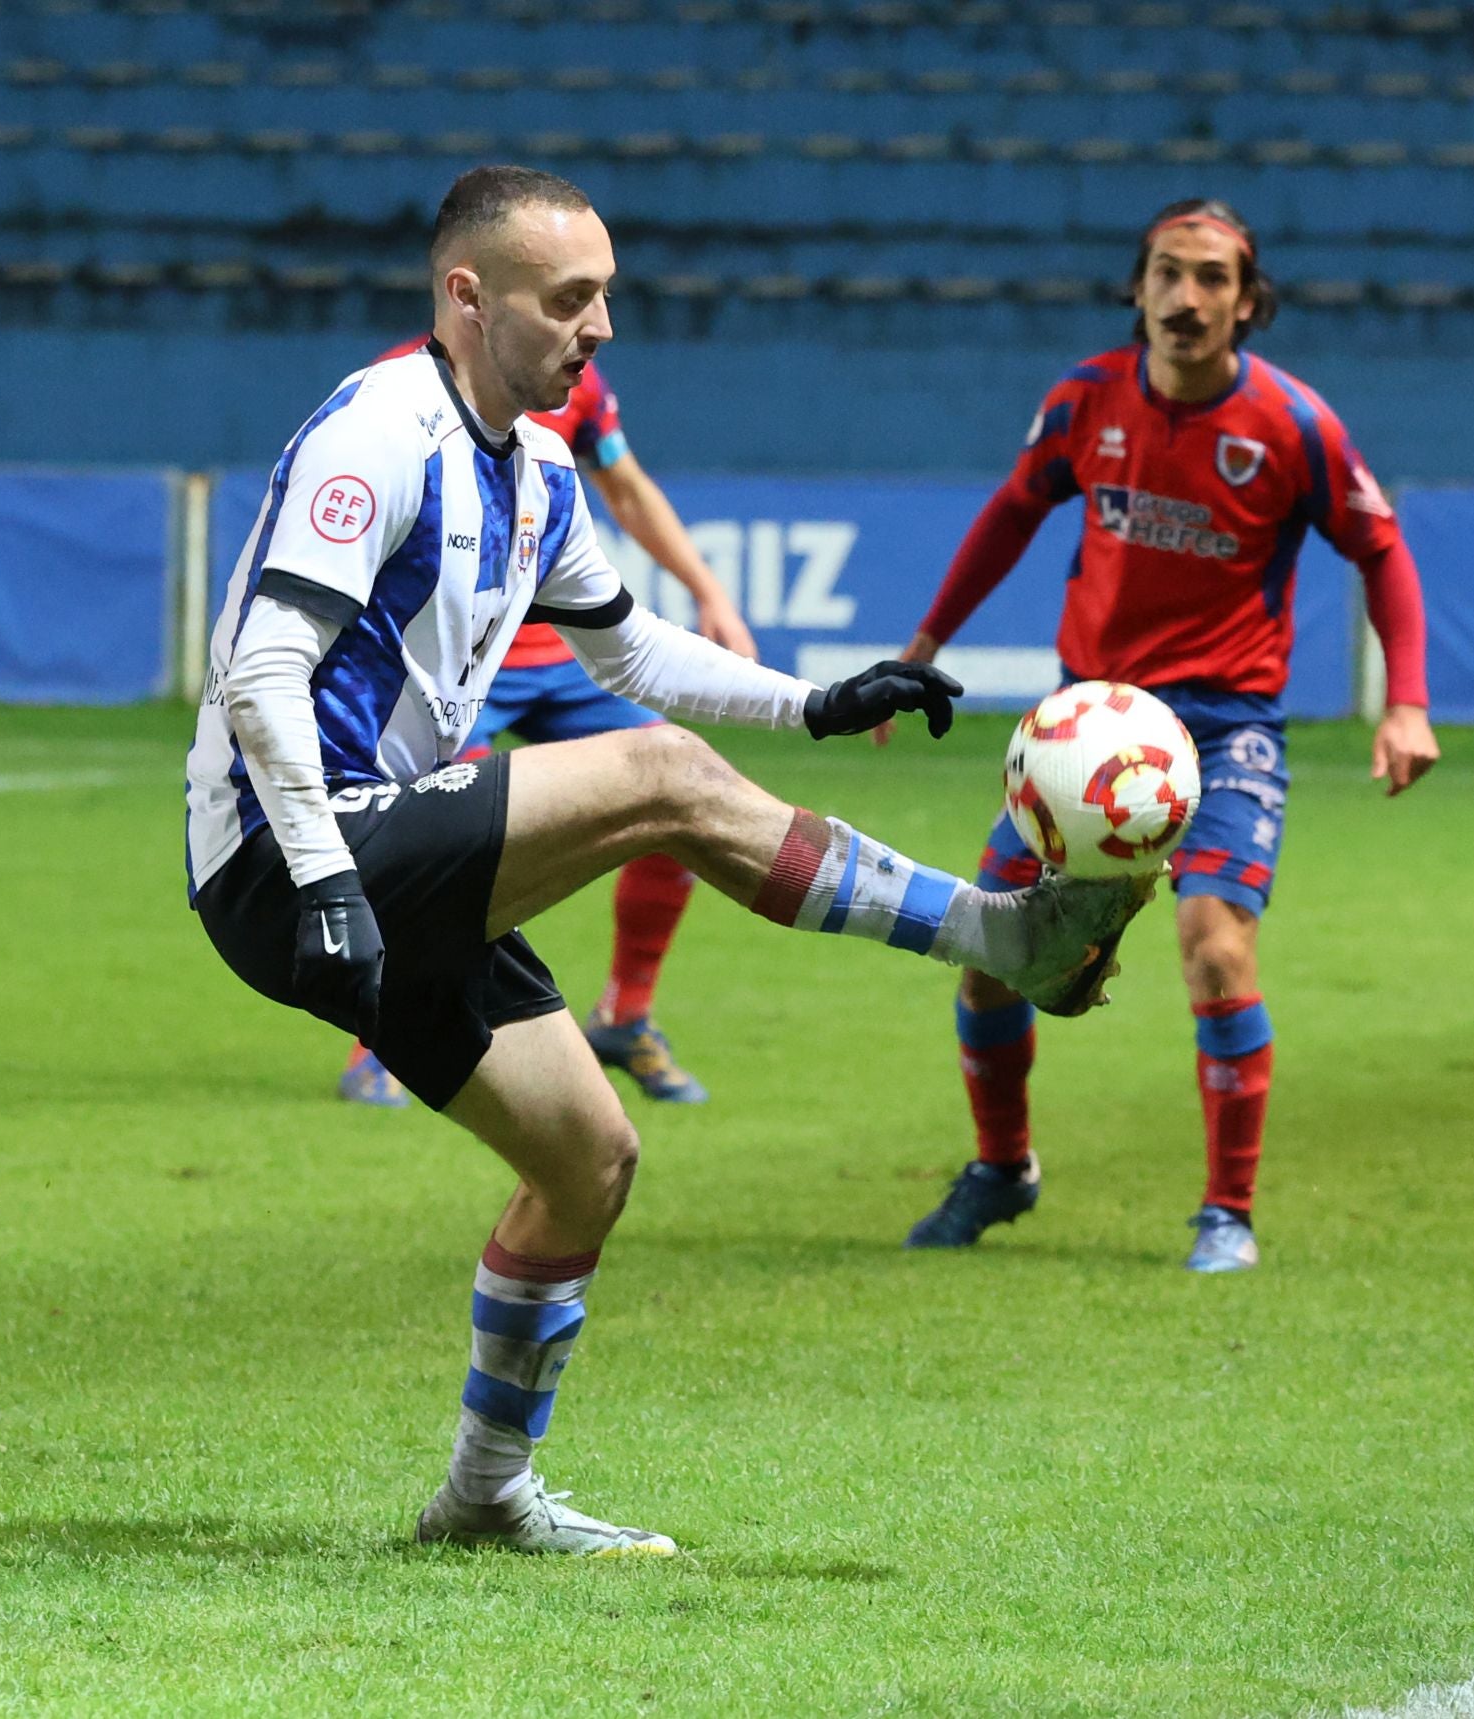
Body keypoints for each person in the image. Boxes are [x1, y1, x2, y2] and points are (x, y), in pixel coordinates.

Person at [184, 164, 1152, 1555]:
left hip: (384, 853)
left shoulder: (538, 467)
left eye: (607, 298)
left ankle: (484, 1494)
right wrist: (331, 880)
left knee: (588, 1156)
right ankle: (1008, 938)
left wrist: (815, 700)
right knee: (656, 776)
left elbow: (627, 645)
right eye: (569, 299)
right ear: (467, 298)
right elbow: (262, 666)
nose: (600, 328)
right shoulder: (380, 430)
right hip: (291, 857)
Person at [894, 197, 1439, 1272]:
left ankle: (1226, 1212)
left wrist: (1408, 698)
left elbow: (1380, 550)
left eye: (1211, 280)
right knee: (991, 959)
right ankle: (1002, 1169)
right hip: (1082, 733)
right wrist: (923, 644)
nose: (1186, 299)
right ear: (1138, 288)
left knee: (1216, 949)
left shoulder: (1292, 426)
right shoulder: (1083, 401)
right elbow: (1012, 512)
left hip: (1224, 726)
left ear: (1247, 302)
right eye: (1167, 275)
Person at [340, 350, 756, 1109]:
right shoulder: (397, 389)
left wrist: (710, 594)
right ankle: (382, 1032)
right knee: (433, 847)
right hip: (458, 667)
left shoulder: (577, 381)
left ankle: (626, 1016)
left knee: (684, 797)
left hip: (566, 659)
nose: (584, 322)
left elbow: (625, 490)